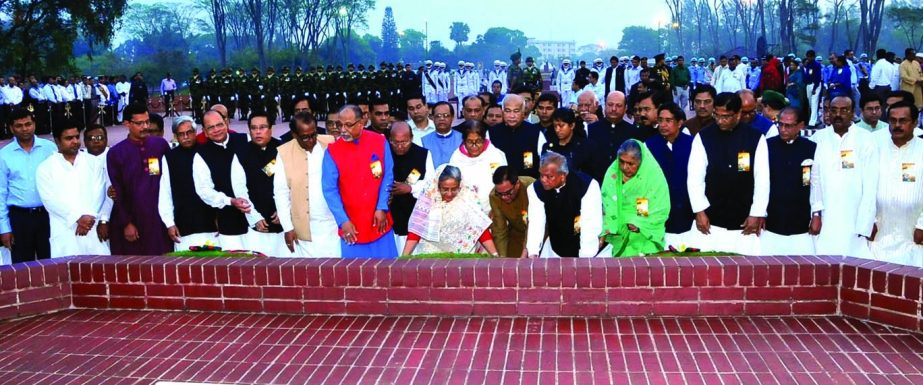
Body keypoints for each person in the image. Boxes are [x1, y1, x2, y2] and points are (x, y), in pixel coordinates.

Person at [687, 92, 769, 255]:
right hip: (711, 221)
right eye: (717, 115)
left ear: (738, 114)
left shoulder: (755, 138)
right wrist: (699, 210)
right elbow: (695, 178)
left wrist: (756, 213)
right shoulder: (703, 137)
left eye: (726, 116)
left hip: (744, 221)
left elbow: (762, 180)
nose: (720, 120)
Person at [322, 104, 398, 258]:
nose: (343, 130)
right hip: (351, 226)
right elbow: (329, 190)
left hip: (379, 222)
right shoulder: (332, 151)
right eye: (340, 124)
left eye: (348, 125)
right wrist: (343, 221)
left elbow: (387, 176)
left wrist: (382, 207)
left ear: (362, 123)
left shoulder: (380, 142)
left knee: (388, 273)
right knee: (355, 277)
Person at [810, 96, 878, 258]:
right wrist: (816, 213)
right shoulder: (817, 139)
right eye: (834, 110)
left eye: (844, 110)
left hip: (855, 217)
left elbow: (871, 183)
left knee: (854, 263)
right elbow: (814, 181)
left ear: (853, 113)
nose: (838, 114)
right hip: (826, 217)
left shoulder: (866, 139)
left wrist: (866, 221)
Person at [106, 103, 173, 255]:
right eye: (139, 123)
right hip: (133, 219)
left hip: (159, 218)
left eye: (147, 122)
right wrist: (126, 223)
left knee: (164, 263)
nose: (145, 126)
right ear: (127, 124)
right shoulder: (116, 153)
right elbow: (118, 190)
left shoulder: (160, 145)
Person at [36, 122, 109, 258]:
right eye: (69, 138)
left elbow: (99, 192)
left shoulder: (92, 162)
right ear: (57, 141)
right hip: (64, 229)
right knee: (68, 272)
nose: (75, 141)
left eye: (77, 137)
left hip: (92, 226)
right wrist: (77, 218)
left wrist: (87, 218)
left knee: (100, 270)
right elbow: (50, 200)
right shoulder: (46, 168)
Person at [273, 111, 339, 257]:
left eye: (313, 134)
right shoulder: (284, 153)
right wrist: (287, 228)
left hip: (334, 223)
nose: (311, 140)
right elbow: (281, 192)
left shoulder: (331, 143)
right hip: (305, 226)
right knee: (313, 272)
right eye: (305, 137)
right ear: (294, 135)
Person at [192, 110, 257, 250]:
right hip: (228, 219)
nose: (216, 130)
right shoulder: (201, 155)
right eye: (211, 127)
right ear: (204, 131)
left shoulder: (245, 140)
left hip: (259, 216)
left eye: (219, 124)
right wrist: (230, 201)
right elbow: (204, 190)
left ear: (226, 123)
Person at [401, 164, 498, 256]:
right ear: (437, 185)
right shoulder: (428, 199)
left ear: (460, 185)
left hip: (460, 255)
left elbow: (479, 229)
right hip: (430, 253)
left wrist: (495, 255)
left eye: (454, 189)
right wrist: (403, 257)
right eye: (445, 189)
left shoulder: (467, 198)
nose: (449, 194)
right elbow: (416, 230)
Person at [760, 107, 819, 255]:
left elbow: (816, 184)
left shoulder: (811, 148)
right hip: (771, 222)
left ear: (801, 126)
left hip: (801, 222)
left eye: (789, 125)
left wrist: (816, 215)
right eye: (780, 124)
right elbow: (759, 183)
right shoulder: (767, 146)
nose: (783, 129)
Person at [871, 102, 922, 266]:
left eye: (903, 120)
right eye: (892, 121)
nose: (897, 125)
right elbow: (864, 186)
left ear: (915, 122)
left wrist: (922, 225)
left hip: (912, 230)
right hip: (879, 230)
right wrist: (868, 220)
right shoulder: (875, 148)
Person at [0, 109, 54, 263]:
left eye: (28, 124)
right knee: (23, 268)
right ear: (11, 128)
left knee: (52, 263)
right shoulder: (3, 155)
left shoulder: (49, 148)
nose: (24, 129)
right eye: (19, 126)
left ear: (34, 124)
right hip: (19, 218)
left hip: (47, 215)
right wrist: (4, 228)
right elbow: (1, 193)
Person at [157, 116, 218, 252]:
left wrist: (221, 217)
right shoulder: (170, 158)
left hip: (210, 223)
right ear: (175, 136)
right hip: (183, 224)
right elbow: (165, 192)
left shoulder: (208, 152)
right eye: (181, 134)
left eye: (189, 132)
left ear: (195, 132)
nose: (186, 137)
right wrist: (169, 223)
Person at [525, 151, 602, 258]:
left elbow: (590, 224)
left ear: (563, 176)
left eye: (549, 176)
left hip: (588, 249)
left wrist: (585, 259)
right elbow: (536, 222)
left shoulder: (588, 186)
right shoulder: (534, 189)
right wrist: (533, 252)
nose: (543, 180)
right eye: (541, 175)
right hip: (555, 249)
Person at [600, 139, 669, 256]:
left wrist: (638, 223)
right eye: (621, 161)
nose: (625, 167)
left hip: (644, 234)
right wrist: (608, 227)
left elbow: (656, 206)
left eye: (631, 164)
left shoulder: (651, 175)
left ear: (640, 161)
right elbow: (608, 202)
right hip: (619, 229)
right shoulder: (613, 172)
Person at [237, 112, 287, 256]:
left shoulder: (283, 149)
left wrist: (284, 211)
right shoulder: (241, 153)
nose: (258, 132)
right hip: (255, 223)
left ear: (271, 129)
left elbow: (293, 184)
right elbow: (239, 188)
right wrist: (255, 217)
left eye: (263, 127)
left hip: (283, 223)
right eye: (253, 128)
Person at [646, 103, 695, 248]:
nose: (663, 125)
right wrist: (641, 214)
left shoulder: (693, 144)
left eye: (668, 120)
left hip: (687, 213)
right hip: (657, 214)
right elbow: (641, 183)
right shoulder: (649, 146)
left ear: (679, 123)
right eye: (660, 120)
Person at [388, 121, 435, 253]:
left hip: (415, 212)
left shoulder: (423, 154)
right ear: (389, 139)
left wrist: (410, 188)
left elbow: (431, 182)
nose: (400, 146)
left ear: (412, 138)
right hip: (391, 213)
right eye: (395, 142)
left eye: (404, 142)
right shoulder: (383, 153)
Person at [585, 91, 646, 184]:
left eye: (618, 106)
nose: (613, 109)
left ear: (625, 108)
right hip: (595, 184)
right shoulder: (590, 130)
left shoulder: (634, 132)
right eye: (610, 104)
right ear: (605, 105)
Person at [449, 119, 508, 211]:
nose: (474, 146)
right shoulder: (456, 157)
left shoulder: (496, 155)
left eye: (478, 141)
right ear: (464, 141)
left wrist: (496, 209)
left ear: (484, 139)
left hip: (493, 208)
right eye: (469, 142)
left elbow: (503, 184)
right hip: (464, 210)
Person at [487, 94, 545, 178]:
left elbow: (545, 161)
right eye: (508, 111)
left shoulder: (535, 132)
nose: (512, 115)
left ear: (523, 112)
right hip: (500, 184)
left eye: (516, 111)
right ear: (502, 111)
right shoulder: (492, 133)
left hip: (528, 183)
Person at [489, 166, 533, 258]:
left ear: (517, 184)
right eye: (500, 194)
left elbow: (535, 224)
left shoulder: (531, 187)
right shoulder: (494, 196)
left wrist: (526, 251)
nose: (504, 197)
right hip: (516, 234)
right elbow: (499, 231)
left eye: (508, 193)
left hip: (541, 234)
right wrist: (501, 258)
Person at [420, 102, 463, 168]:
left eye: (446, 115)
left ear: (452, 117)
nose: (442, 119)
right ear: (432, 118)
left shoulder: (462, 139)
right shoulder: (424, 140)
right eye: (438, 116)